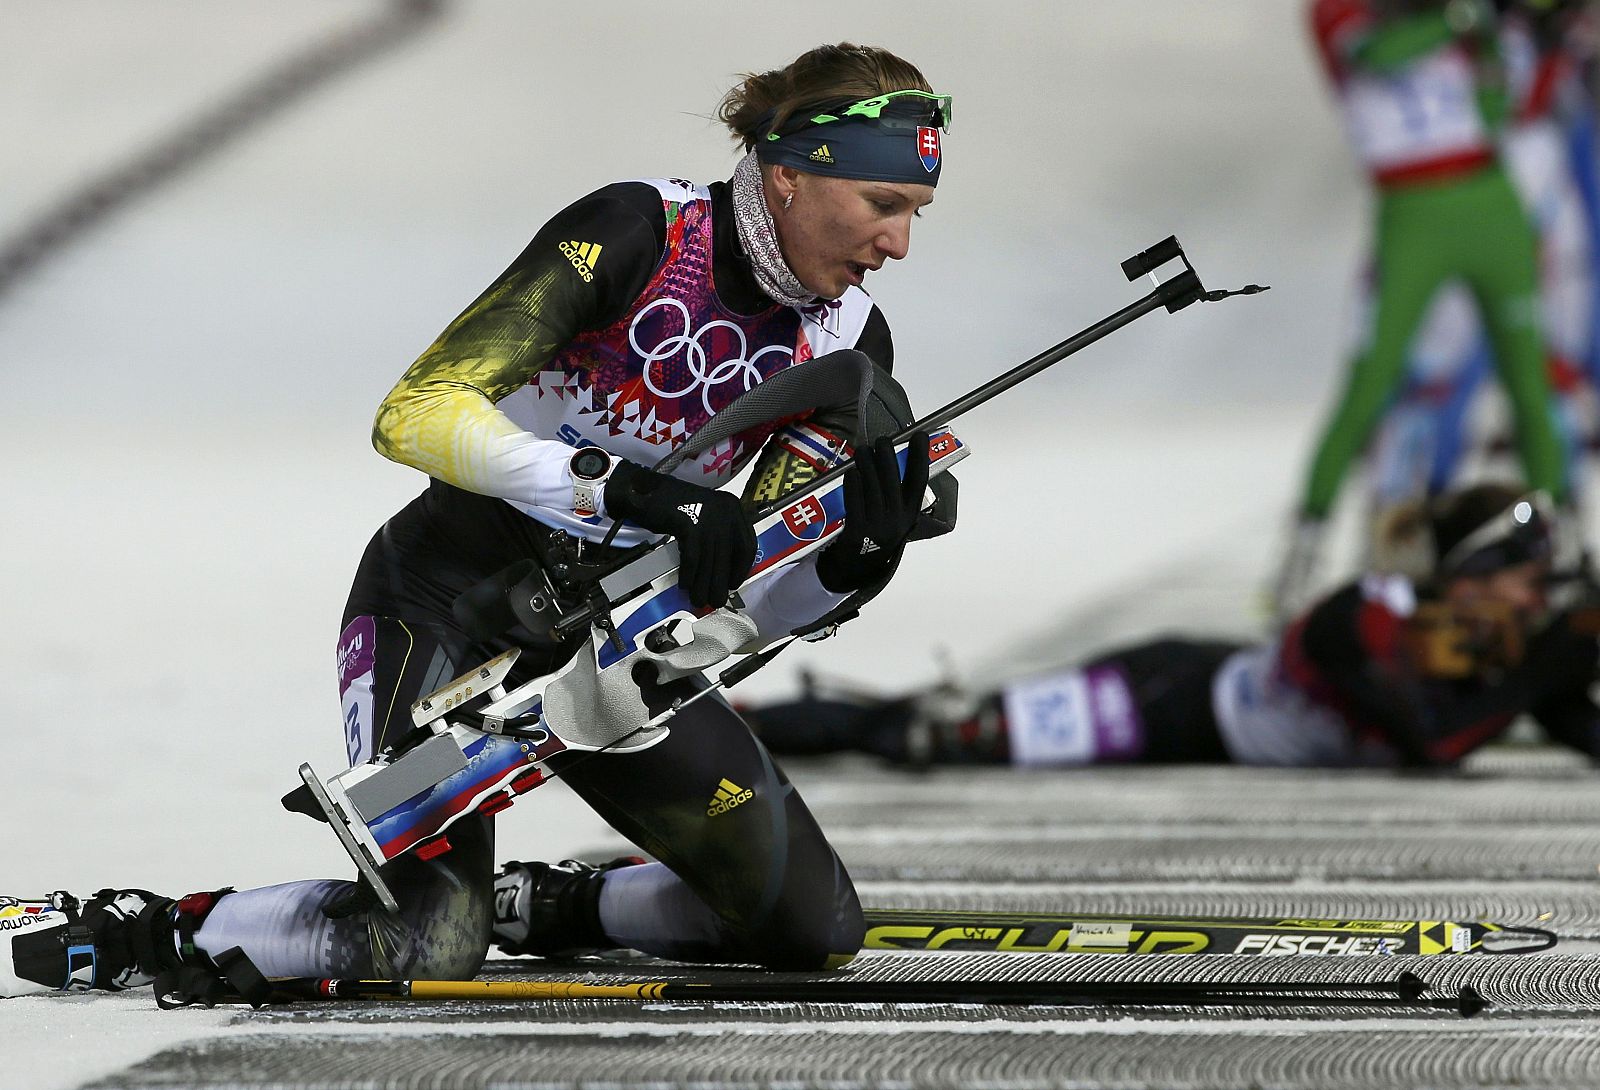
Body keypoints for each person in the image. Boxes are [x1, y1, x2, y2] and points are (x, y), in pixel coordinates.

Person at [2, 42, 954, 999]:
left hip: (612, 650)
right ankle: (156, 928)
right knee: (421, 942)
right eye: (884, 206)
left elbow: (731, 605)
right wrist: (619, 488)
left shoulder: (848, 345)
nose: (900, 246)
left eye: (914, 215)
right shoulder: (644, 231)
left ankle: (544, 907)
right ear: (790, 177)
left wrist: (851, 564)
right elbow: (414, 411)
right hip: (451, 600)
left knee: (810, 929)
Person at [747, 484, 1600, 771]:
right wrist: (1554, 662)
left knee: (935, 726)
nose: (1540, 604)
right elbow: (1432, 740)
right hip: (1168, 698)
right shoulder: (1364, 615)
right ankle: (749, 731)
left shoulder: (1502, 649)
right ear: (1475, 577)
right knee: (937, 732)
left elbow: (1572, 721)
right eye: (1531, 583)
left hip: (1204, 702)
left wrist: (1568, 666)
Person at [1273, 0, 1572, 621]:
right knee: (1370, 385)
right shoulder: (1344, 13)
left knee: (1529, 384)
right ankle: (1300, 561)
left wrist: (1512, 37)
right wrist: (1463, 17)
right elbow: (1377, 54)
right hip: (1411, 216)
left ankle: (1558, 553)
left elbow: (1504, 107)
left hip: (1490, 202)